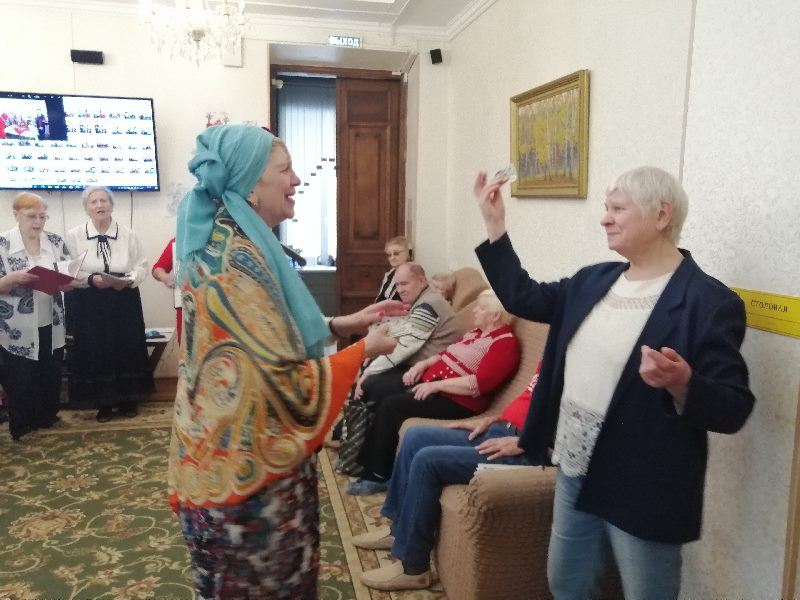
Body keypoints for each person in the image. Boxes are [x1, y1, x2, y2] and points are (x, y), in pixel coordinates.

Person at [473, 166, 755, 599]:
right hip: (574, 467)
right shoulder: (594, 281)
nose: (604, 218)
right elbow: (523, 297)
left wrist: (684, 383)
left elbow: (733, 407)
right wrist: (495, 224)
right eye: (606, 208)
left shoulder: (709, 301)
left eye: (617, 209)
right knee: (567, 585)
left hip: (645, 483)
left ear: (661, 215)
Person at [167, 124, 403, 599]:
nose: (296, 180)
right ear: (252, 185)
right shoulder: (236, 260)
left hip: (219, 462)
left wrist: (341, 324)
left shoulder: (226, 240)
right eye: (285, 170)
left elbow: (264, 333)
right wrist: (363, 350)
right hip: (249, 485)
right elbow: (280, 386)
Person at [354, 361, 542, 592]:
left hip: (526, 450)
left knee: (428, 461)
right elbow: (530, 400)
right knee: (415, 436)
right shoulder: (557, 351)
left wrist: (529, 442)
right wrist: (497, 418)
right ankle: (397, 531)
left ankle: (413, 568)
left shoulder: (580, 360)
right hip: (504, 430)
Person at [347, 289, 520, 495]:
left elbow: (479, 384)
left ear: (495, 315)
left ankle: (378, 475)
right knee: (378, 386)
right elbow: (445, 353)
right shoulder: (476, 333)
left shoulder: (504, 343)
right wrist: (422, 365)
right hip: (432, 384)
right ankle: (356, 455)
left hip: (458, 401)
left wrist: (436, 386)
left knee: (392, 406)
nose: (474, 310)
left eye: (480, 308)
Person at [334, 262, 459, 476]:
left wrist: (369, 371)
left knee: (374, 385)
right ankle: (351, 440)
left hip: (430, 373)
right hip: (418, 366)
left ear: (421, 280)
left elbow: (403, 347)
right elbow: (401, 333)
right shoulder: (423, 300)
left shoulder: (429, 305)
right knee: (371, 381)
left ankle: (368, 464)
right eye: (397, 284)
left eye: (405, 283)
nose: (400, 289)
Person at [66, 186, 154, 422]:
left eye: (104, 200)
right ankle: (103, 403)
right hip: (90, 300)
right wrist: (91, 280)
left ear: (111, 205)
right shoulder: (74, 235)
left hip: (122, 298)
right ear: (86, 208)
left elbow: (141, 265)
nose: (99, 205)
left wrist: (129, 280)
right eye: (93, 202)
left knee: (126, 346)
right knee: (96, 349)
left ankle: (129, 400)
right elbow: (70, 270)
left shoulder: (128, 234)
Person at [0, 193, 71, 440]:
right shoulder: (3, 244)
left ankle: (47, 417)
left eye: (42, 216)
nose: (38, 222)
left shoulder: (55, 241)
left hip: (52, 318)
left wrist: (69, 282)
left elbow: (69, 273)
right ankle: (22, 424)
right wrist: (10, 279)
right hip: (16, 326)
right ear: (16, 215)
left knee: (49, 370)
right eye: (32, 216)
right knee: (20, 375)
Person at [151, 236, 181, 341]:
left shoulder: (224, 238)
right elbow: (157, 269)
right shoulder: (179, 241)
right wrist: (165, 277)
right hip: (187, 312)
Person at [375, 235, 410, 302]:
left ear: (406, 254)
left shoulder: (411, 274)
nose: (392, 257)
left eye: (396, 253)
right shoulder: (389, 275)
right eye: (389, 254)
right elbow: (380, 298)